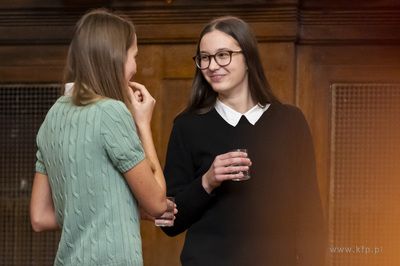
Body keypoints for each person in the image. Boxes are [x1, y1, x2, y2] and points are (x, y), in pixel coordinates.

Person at [161, 16, 327, 265]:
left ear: (248, 58)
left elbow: (310, 213)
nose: (212, 66)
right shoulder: (187, 126)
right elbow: (169, 223)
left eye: (223, 55)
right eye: (204, 58)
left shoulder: (290, 121)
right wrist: (207, 181)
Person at [30, 9, 175, 265]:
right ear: (115, 58)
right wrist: (143, 125)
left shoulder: (53, 115)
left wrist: (123, 208)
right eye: (134, 56)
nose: (135, 67)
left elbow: (39, 217)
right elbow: (157, 203)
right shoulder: (112, 112)